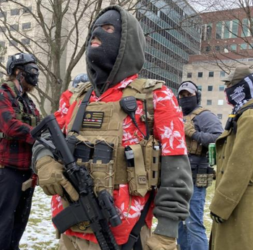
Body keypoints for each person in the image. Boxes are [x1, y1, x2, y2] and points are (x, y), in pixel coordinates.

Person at [32, 6, 193, 250]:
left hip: (128, 235)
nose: (97, 35)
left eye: (108, 29)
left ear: (126, 43)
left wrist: (167, 232)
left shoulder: (155, 97)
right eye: (94, 31)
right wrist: (44, 161)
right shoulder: (74, 97)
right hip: (72, 232)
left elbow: (176, 170)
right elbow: (46, 136)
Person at [0, 52, 41, 250]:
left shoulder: (28, 101)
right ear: (19, 72)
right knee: (0, 229)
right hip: (7, 172)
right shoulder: (0, 95)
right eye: (32, 70)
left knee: (18, 227)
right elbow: (10, 126)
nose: (36, 75)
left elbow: (40, 124)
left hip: (27, 173)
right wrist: (39, 134)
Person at [209, 66, 253, 250]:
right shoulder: (242, 113)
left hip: (241, 204)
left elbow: (240, 165)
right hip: (238, 203)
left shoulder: (249, 116)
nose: (227, 90)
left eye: (231, 85)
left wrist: (221, 204)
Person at [176, 81, 223, 250]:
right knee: (179, 222)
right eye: (182, 95)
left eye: (189, 95)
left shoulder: (205, 116)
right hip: (177, 175)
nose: (185, 98)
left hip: (196, 176)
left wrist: (194, 134)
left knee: (193, 222)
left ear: (197, 96)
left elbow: (219, 139)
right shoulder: (177, 115)